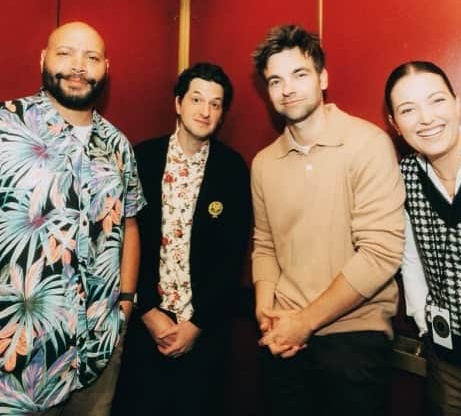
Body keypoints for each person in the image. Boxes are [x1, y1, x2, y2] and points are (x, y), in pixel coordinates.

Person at [251, 24, 405, 416]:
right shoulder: (264, 162)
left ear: (322, 78)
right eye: (275, 80)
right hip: (283, 338)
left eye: (299, 74)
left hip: (354, 337)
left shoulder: (368, 143)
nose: (287, 89)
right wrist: (265, 312)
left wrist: (304, 322)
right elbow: (265, 243)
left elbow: (380, 254)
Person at [0, 22, 145, 415]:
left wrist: (126, 305)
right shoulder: (6, 126)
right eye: (66, 53)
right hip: (19, 358)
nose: (79, 66)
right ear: (44, 59)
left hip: (97, 349)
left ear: (106, 68)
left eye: (91, 57)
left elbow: (129, 224)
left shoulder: (118, 145)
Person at [112, 62, 252, 416]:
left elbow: (232, 256)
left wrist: (196, 325)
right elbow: (124, 240)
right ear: (178, 103)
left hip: (204, 333)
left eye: (216, 104)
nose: (205, 111)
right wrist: (147, 312)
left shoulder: (232, 168)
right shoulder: (141, 158)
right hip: (145, 330)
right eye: (196, 99)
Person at [385, 61, 461, 415]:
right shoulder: (407, 174)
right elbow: (410, 257)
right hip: (449, 366)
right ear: (395, 125)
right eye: (408, 110)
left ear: (457, 103)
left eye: (436, 101)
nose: (426, 119)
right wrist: (422, 321)